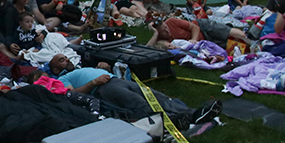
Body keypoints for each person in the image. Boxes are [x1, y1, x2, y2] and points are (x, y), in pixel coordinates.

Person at [48, 54, 220, 130]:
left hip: (118, 81)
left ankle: (194, 114)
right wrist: (94, 82)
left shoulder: (79, 69)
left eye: (66, 57)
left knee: (158, 97)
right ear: (55, 69)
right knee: (139, 104)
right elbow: (72, 95)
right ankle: (172, 121)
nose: (67, 60)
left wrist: (103, 70)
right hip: (104, 88)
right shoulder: (62, 79)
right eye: (61, 60)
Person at [147, 16, 248, 50]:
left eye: (166, 27)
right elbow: (147, 49)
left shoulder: (171, 22)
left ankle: (249, 37)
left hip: (202, 27)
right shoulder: (160, 41)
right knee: (233, 47)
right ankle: (252, 47)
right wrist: (155, 33)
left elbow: (194, 27)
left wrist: (194, 39)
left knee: (230, 33)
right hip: (204, 43)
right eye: (164, 31)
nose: (167, 30)